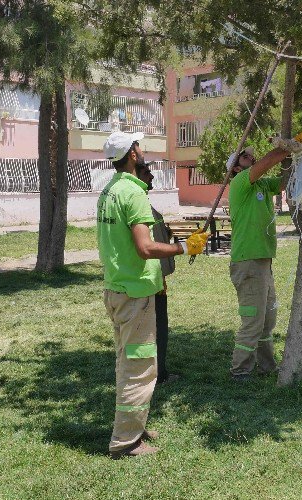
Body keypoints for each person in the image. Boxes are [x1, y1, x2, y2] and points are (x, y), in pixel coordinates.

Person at [97, 131, 207, 459]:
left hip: (117, 289)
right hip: (136, 293)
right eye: (139, 146)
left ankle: (136, 425)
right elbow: (145, 248)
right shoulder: (133, 194)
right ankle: (126, 442)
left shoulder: (109, 191)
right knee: (141, 368)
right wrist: (184, 246)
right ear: (132, 153)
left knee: (128, 363)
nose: (142, 150)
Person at [227, 134, 302, 381]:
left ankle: (266, 365)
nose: (252, 156)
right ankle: (240, 371)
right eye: (246, 155)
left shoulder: (261, 184)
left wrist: (300, 159)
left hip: (262, 261)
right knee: (253, 318)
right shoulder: (240, 182)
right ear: (236, 167)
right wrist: (293, 144)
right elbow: (271, 159)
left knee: (268, 318)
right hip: (248, 261)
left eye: (251, 155)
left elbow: (284, 182)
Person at [135, 161, 177, 384]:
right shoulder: (136, 206)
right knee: (154, 330)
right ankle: (155, 374)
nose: (151, 177)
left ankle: (159, 371)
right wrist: (182, 248)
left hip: (157, 281)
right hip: (148, 283)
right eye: (146, 173)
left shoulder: (146, 206)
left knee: (159, 327)